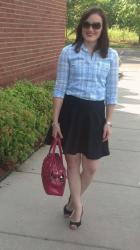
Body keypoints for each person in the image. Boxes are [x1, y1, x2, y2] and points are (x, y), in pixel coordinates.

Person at [45, 6, 119, 230]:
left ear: (102, 28)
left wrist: (108, 121)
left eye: (96, 25)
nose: (91, 29)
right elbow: (59, 89)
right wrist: (55, 122)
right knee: (72, 163)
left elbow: (111, 93)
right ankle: (78, 207)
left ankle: (71, 199)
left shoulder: (111, 55)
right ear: (81, 27)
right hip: (71, 113)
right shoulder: (68, 52)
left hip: (96, 115)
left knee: (92, 167)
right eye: (87, 24)